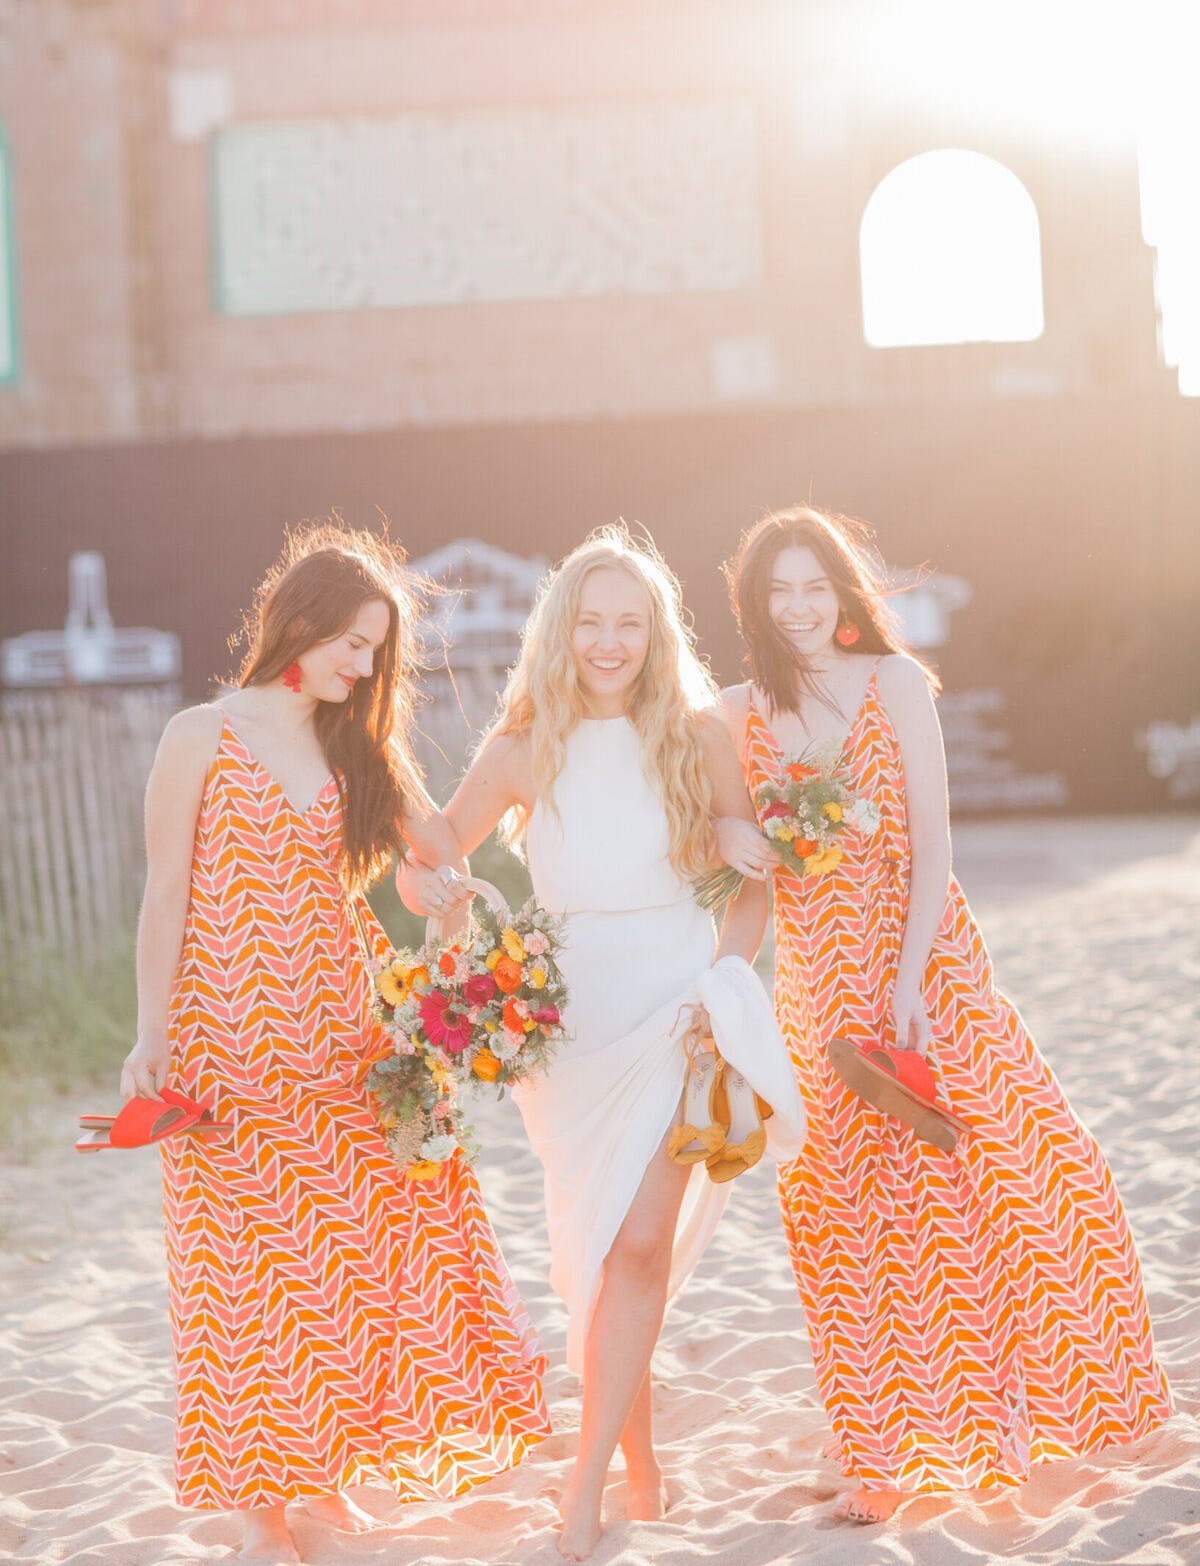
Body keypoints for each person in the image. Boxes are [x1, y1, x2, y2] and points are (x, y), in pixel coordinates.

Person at [715, 504, 1173, 1524]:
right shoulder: (734, 711)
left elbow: (935, 843)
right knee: (847, 1207)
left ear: (842, 592)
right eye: (777, 591)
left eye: (813, 586)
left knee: (1010, 1166)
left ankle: (1019, 1409)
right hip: (816, 982)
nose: (797, 607)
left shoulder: (894, 683)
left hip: (929, 965)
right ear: (754, 603)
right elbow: (722, 850)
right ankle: (876, 1449)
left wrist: (912, 975)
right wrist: (722, 841)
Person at [121, 524, 548, 1564]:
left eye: (375, 651)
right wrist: (149, 1035)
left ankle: (320, 1471)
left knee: (352, 1250)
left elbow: (435, 848)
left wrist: (435, 887)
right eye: (354, 644)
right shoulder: (199, 735)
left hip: (341, 1029)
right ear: (298, 624)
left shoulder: (356, 745)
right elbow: (166, 892)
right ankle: (259, 1503)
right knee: (244, 1262)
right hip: (224, 1031)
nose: (364, 667)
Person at [404, 527, 803, 1561]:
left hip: (678, 1010)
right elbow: (435, 859)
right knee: (595, 1262)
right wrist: (424, 886)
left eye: (631, 622)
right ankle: (638, 1466)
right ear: (561, 631)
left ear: (657, 632)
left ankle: (585, 1484)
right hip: (567, 1034)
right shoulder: (522, 750)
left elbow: (753, 881)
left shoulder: (699, 736)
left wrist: (725, 981)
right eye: (591, 621)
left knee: (637, 1250)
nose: (610, 641)